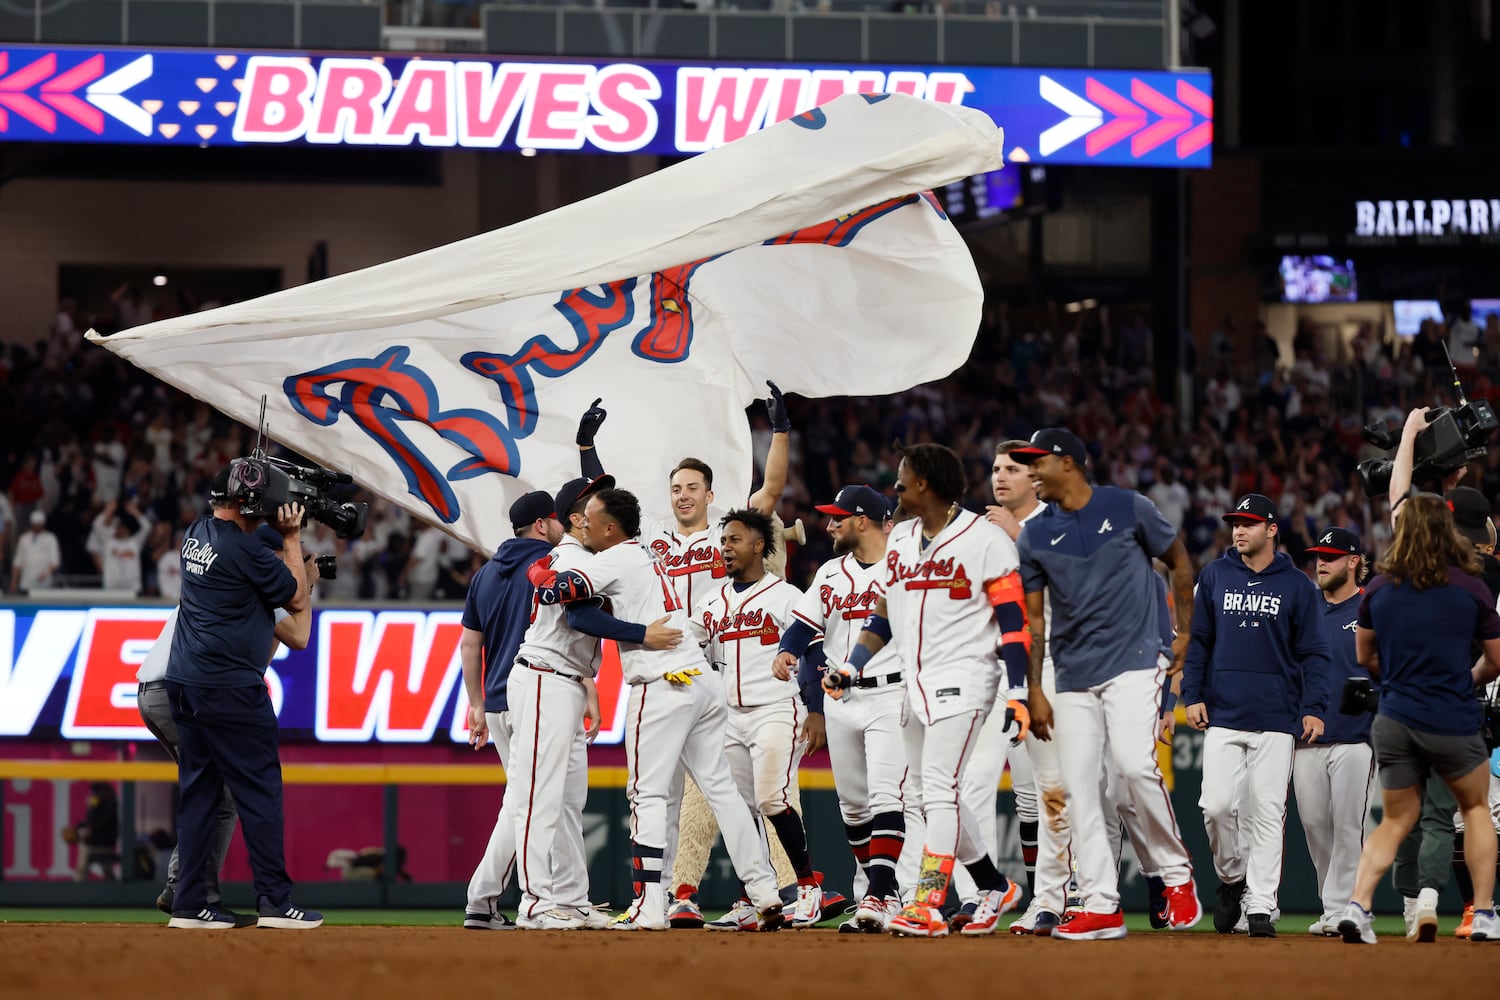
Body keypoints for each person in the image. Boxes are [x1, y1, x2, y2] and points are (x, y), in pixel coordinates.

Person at [576, 391, 805, 928]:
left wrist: (780, 433)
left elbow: (770, 490)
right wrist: (588, 447)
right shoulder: (653, 537)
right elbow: (608, 497)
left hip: (702, 664)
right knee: (714, 790)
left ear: (710, 494)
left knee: (667, 792)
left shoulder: (724, 532)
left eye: (691, 488)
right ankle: (752, 891)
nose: (682, 496)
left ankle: (658, 898)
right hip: (691, 665)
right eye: (676, 488)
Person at [529, 488, 786, 931]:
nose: (582, 525)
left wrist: (537, 567)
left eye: (589, 518)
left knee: (646, 794)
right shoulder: (645, 550)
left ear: (610, 527)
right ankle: (764, 889)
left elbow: (555, 593)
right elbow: (585, 612)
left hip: (663, 681)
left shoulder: (612, 557)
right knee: (721, 789)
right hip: (702, 679)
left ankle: (649, 904)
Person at [826, 444, 1026, 938]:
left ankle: (927, 901)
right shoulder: (902, 540)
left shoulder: (985, 539)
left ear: (924, 484)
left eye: (902, 479)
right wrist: (853, 665)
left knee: (938, 788)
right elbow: (885, 614)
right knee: (926, 794)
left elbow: (1013, 622)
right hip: (913, 685)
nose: (893, 487)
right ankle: (993, 885)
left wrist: (1019, 690)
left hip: (966, 677)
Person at [1013, 427, 1203, 941]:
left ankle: (1176, 873)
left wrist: (1184, 630)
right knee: (1079, 788)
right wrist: (1035, 689)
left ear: (1069, 463)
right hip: (1073, 673)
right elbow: (1035, 623)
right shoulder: (1032, 536)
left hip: (1136, 658)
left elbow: (1180, 561)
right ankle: (1101, 902)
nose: (1030, 470)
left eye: (1037, 461)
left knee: (1134, 767)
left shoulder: (1129, 507)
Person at [505, 475, 680, 930]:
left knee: (566, 800)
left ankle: (571, 897)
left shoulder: (591, 556)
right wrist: (643, 635)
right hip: (544, 676)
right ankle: (535, 900)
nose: (591, 511)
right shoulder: (570, 553)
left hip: (566, 680)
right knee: (539, 795)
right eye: (585, 506)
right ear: (576, 518)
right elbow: (568, 605)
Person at [138, 490, 314, 919]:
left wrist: (298, 575)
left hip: (175, 685)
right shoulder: (249, 571)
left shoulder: (205, 540)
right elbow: (299, 631)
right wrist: (300, 576)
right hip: (188, 688)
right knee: (238, 794)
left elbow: (262, 656)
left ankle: (190, 899)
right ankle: (199, 891)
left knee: (209, 792)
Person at [1339, 492, 1500, 944]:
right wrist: (1468, 678)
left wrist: (1395, 677)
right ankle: (1484, 912)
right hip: (1452, 717)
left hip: (1395, 716)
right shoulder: (1471, 586)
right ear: (1448, 532)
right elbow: (1496, 660)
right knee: (1474, 809)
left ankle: (1358, 906)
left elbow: (1363, 655)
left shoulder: (1379, 588)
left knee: (1394, 821)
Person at [774, 485, 924, 934]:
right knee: (854, 808)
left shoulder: (903, 569)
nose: (829, 524)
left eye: (838, 517)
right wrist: (786, 651)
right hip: (841, 698)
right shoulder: (831, 572)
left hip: (890, 694)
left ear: (863, 521)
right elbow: (803, 626)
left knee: (886, 797)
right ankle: (883, 893)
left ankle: (882, 893)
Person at [1182, 493, 1331, 938]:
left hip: (1276, 715)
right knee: (1216, 806)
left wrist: (1315, 708)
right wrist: (1191, 693)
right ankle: (1232, 880)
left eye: (1248, 523)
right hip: (1224, 711)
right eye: (1235, 523)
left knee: (1268, 811)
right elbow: (1199, 643)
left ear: (1271, 530)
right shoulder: (1214, 575)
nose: (1238, 530)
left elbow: (1315, 654)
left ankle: (1262, 904)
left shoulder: (1298, 585)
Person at [691, 508, 822, 929]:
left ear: (759, 545)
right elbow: (685, 646)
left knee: (771, 799)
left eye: (734, 539)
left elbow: (814, 651)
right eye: (724, 540)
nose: (725, 547)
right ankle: (755, 895)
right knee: (739, 810)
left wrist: (816, 709)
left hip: (776, 708)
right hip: (729, 716)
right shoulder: (711, 601)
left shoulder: (787, 596)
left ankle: (807, 888)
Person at [460, 490, 565, 930]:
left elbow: (469, 643)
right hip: (533, 693)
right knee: (527, 801)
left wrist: (476, 705)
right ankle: (495, 899)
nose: (563, 526)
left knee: (520, 799)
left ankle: (484, 900)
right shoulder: (548, 567)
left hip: (498, 701)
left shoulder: (485, 573)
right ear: (541, 525)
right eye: (557, 519)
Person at [1294, 527, 1375, 938]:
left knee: (1346, 826)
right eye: (1319, 556)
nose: (1321, 562)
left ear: (1354, 561)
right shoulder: (1306, 609)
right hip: (1306, 738)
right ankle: (1335, 904)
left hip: (1355, 737)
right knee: (1313, 824)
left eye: (1331, 555)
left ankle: (1342, 908)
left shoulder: (1369, 607)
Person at [11, 509, 60, 593]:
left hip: (44, 584)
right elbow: (18, 562)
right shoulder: (24, 538)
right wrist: (14, 581)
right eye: (35, 525)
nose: (37, 527)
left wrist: (44, 574)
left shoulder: (50, 538)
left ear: (43, 524)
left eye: (39, 525)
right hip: (26, 583)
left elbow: (55, 562)